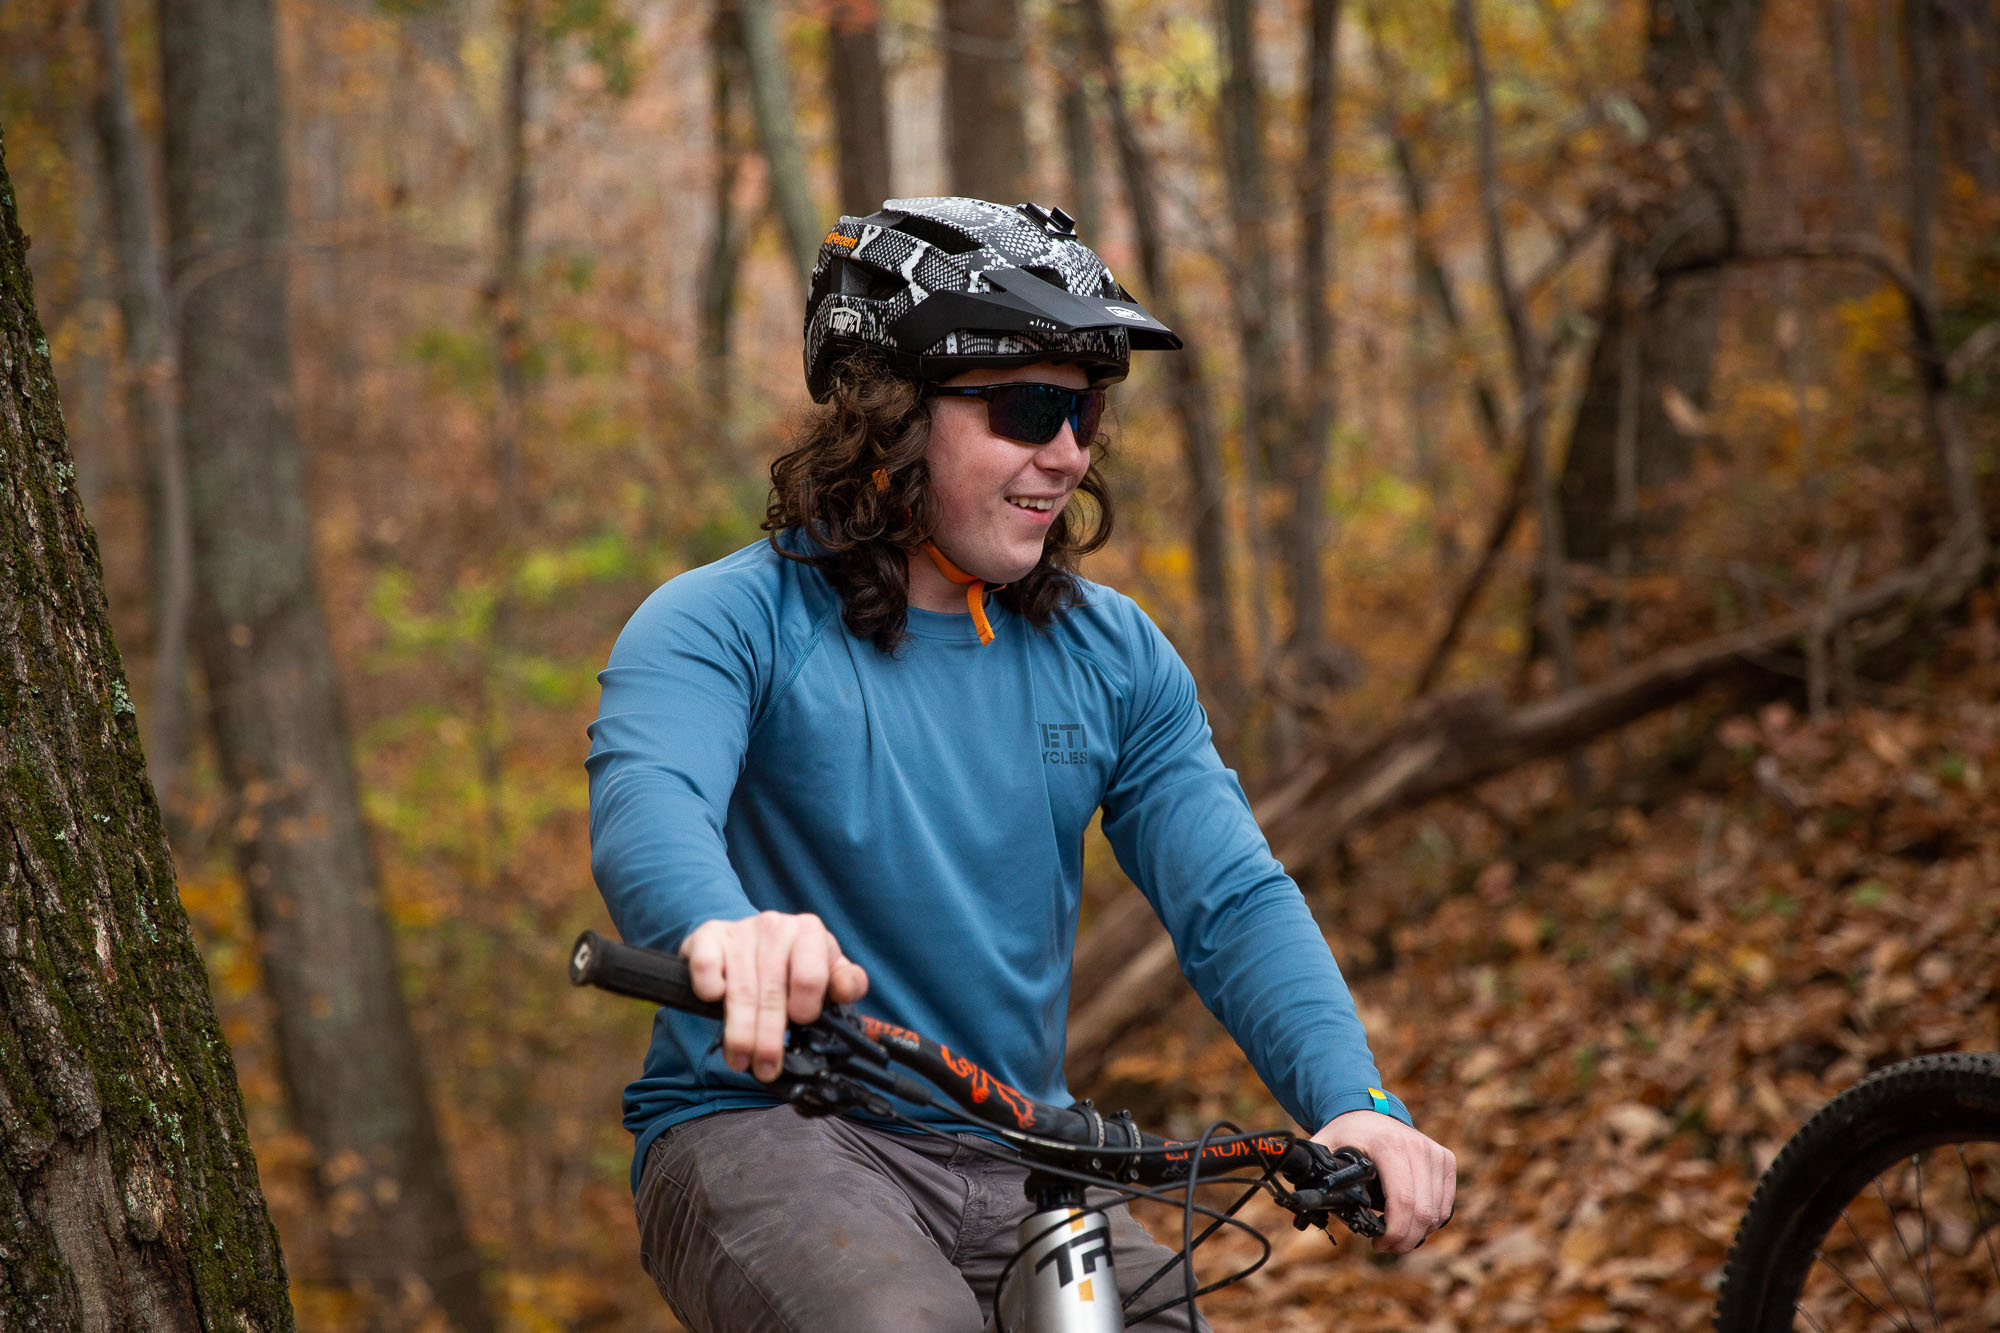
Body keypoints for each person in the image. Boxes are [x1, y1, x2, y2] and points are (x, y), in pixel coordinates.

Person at [587, 196, 1454, 1332]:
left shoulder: (1112, 653)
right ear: (887, 415)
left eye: (1085, 411)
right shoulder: (722, 622)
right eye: (1027, 407)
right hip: (768, 1132)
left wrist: (1355, 1100)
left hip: (1022, 1151)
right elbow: (649, 799)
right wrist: (723, 928)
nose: (1066, 453)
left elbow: (1229, 895)